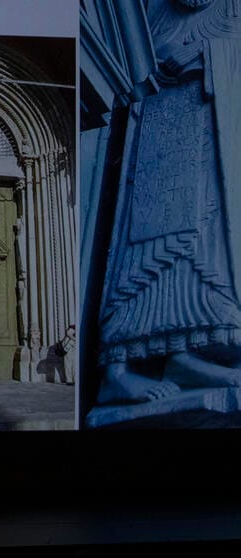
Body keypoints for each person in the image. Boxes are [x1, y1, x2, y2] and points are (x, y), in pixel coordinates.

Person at [95, 0, 241, 407]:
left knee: (210, 251)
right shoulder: (160, 10)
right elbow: (145, 53)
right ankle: (118, 371)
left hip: (219, 133)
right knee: (148, 254)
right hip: (167, 132)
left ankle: (184, 357)